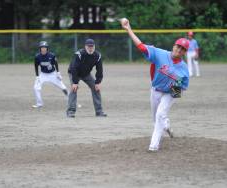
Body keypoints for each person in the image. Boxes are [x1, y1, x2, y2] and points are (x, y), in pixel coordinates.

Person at [120, 18, 189, 152]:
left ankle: (154, 145)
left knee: (160, 114)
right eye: (178, 46)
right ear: (174, 46)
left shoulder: (184, 69)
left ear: (184, 53)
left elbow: (182, 87)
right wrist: (129, 29)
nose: (179, 50)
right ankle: (166, 125)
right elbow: (141, 46)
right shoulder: (160, 54)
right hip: (156, 90)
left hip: (170, 93)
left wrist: (171, 98)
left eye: (182, 49)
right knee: (156, 118)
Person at [66, 39, 107, 118]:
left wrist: (98, 82)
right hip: (74, 73)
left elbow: (100, 69)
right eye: (89, 46)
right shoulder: (79, 54)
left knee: (96, 88)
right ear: (85, 47)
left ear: (94, 47)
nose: (90, 48)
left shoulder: (97, 55)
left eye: (92, 46)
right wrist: (75, 82)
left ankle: (99, 111)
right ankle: (70, 111)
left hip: (86, 74)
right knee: (74, 89)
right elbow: (74, 68)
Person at [33, 41, 68, 108]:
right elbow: (36, 66)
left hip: (53, 74)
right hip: (43, 74)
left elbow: (56, 64)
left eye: (44, 47)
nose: (43, 49)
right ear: (40, 49)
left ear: (47, 48)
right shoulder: (37, 57)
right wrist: (37, 76)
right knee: (36, 87)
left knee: (63, 87)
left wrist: (58, 73)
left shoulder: (52, 55)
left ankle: (71, 101)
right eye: (42, 48)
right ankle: (39, 104)